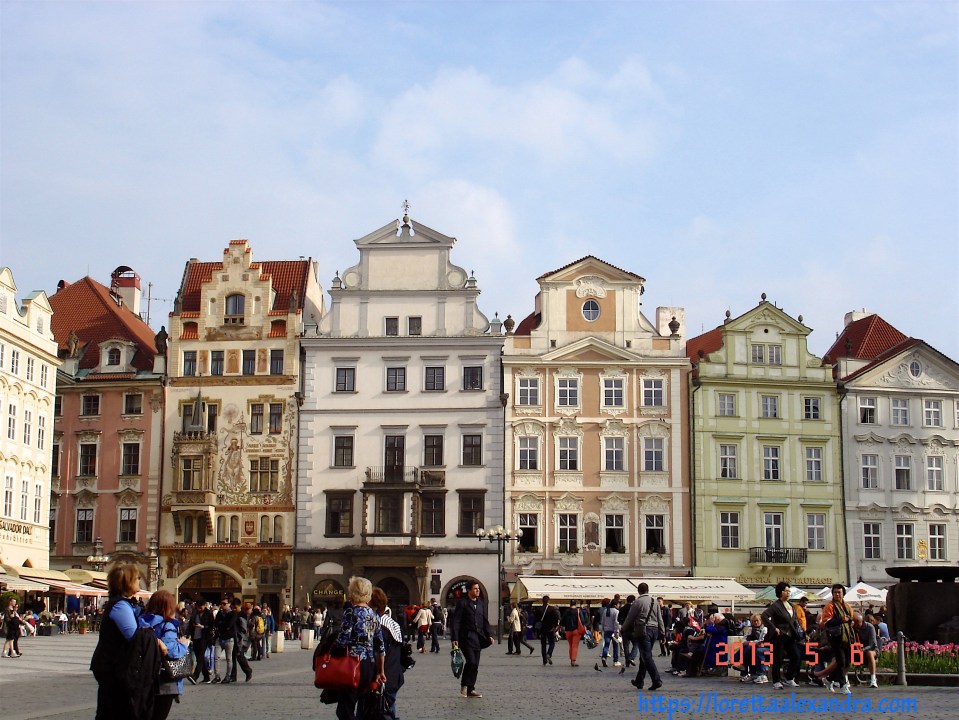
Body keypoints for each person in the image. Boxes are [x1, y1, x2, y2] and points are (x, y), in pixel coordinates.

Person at [91, 563, 162, 720]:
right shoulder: (120, 606)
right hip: (113, 666)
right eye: (136, 577)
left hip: (112, 665)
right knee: (114, 710)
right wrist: (155, 639)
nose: (139, 580)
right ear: (127, 581)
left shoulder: (123, 604)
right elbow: (134, 636)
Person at [334, 576, 387, 720]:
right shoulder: (374, 615)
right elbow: (380, 647)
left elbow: (343, 640)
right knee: (360, 707)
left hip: (352, 665)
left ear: (352, 593)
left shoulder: (351, 612)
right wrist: (380, 671)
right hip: (369, 666)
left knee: (345, 711)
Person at [142, 589, 190, 720]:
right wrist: (184, 644)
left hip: (144, 676)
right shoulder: (167, 624)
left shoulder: (142, 621)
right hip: (164, 679)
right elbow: (171, 650)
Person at [450, 580, 494, 698]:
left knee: (476, 665)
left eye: (478, 588)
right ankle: (464, 686)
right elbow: (456, 620)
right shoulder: (462, 603)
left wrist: (489, 634)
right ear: (469, 590)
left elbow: (484, 620)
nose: (478, 590)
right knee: (471, 661)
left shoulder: (480, 603)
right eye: (475, 589)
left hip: (478, 638)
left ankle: (471, 689)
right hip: (465, 637)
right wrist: (454, 637)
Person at [620, 582, 664, 691]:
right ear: (648, 590)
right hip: (655, 630)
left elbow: (630, 618)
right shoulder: (655, 602)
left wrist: (623, 629)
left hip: (643, 630)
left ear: (639, 591)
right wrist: (662, 633)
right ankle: (639, 681)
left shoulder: (637, 602)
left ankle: (656, 680)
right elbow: (660, 618)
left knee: (647, 656)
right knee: (644, 656)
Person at [371, 587, 406, 720]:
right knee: (387, 710)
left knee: (378, 712)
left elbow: (379, 652)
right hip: (394, 675)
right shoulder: (393, 624)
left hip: (381, 677)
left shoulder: (376, 625)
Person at [761, 581, 802, 689]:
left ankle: (789, 678)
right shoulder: (776, 605)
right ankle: (776, 681)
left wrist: (801, 632)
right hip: (780, 635)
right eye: (786, 591)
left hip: (790, 635)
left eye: (789, 591)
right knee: (778, 658)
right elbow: (764, 616)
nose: (788, 593)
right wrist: (774, 628)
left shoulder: (791, 605)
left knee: (796, 655)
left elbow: (795, 620)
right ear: (780, 592)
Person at [819, 583, 854, 695]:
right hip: (835, 637)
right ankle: (843, 685)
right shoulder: (830, 606)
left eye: (839, 592)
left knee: (847, 662)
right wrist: (841, 619)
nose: (837, 594)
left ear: (843, 594)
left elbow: (851, 618)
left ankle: (829, 680)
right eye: (835, 592)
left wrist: (850, 621)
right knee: (841, 660)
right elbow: (826, 622)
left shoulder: (847, 606)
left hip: (847, 636)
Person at [187, 599, 213, 684]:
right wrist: (188, 635)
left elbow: (211, 626)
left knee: (200, 657)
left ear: (205, 605)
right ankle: (206, 677)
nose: (199, 609)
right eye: (198, 607)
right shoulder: (195, 613)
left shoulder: (209, 613)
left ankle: (195, 676)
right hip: (195, 637)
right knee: (199, 657)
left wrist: (202, 627)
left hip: (204, 637)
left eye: (201, 607)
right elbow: (191, 624)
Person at [229, 600, 253, 683]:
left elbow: (243, 629)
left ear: (239, 606)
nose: (234, 609)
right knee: (233, 657)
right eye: (233, 608)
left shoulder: (242, 614)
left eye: (235, 608)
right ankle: (233, 676)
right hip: (234, 638)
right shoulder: (234, 614)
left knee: (239, 656)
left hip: (241, 639)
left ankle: (248, 670)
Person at [854, 612, 879, 688]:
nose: (854, 625)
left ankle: (873, 679)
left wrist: (863, 649)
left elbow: (872, 644)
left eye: (855, 624)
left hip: (872, 649)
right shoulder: (853, 628)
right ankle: (844, 679)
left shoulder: (870, 627)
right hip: (857, 649)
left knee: (869, 653)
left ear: (859, 622)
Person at [536, 595, 561, 666]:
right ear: (548, 601)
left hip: (542, 629)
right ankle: (549, 654)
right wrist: (554, 627)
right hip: (550, 629)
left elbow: (536, 620)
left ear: (542, 601)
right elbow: (556, 619)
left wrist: (535, 631)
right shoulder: (552, 609)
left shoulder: (539, 609)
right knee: (552, 643)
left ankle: (544, 660)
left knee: (543, 645)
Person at [560, 600, 586, 667]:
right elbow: (583, 621)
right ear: (576, 604)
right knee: (575, 646)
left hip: (568, 631)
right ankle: (573, 660)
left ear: (570, 604)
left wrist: (562, 627)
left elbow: (562, 621)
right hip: (576, 630)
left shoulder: (566, 611)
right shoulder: (578, 611)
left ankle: (571, 659)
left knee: (570, 645)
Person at [599, 598, 621, 667]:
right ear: (615, 605)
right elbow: (616, 622)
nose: (619, 605)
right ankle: (615, 661)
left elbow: (602, 621)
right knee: (615, 646)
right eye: (618, 604)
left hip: (606, 630)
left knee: (606, 645)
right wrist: (617, 632)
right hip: (613, 631)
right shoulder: (616, 612)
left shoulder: (606, 611)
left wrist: (603, 628)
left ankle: (604, 657)